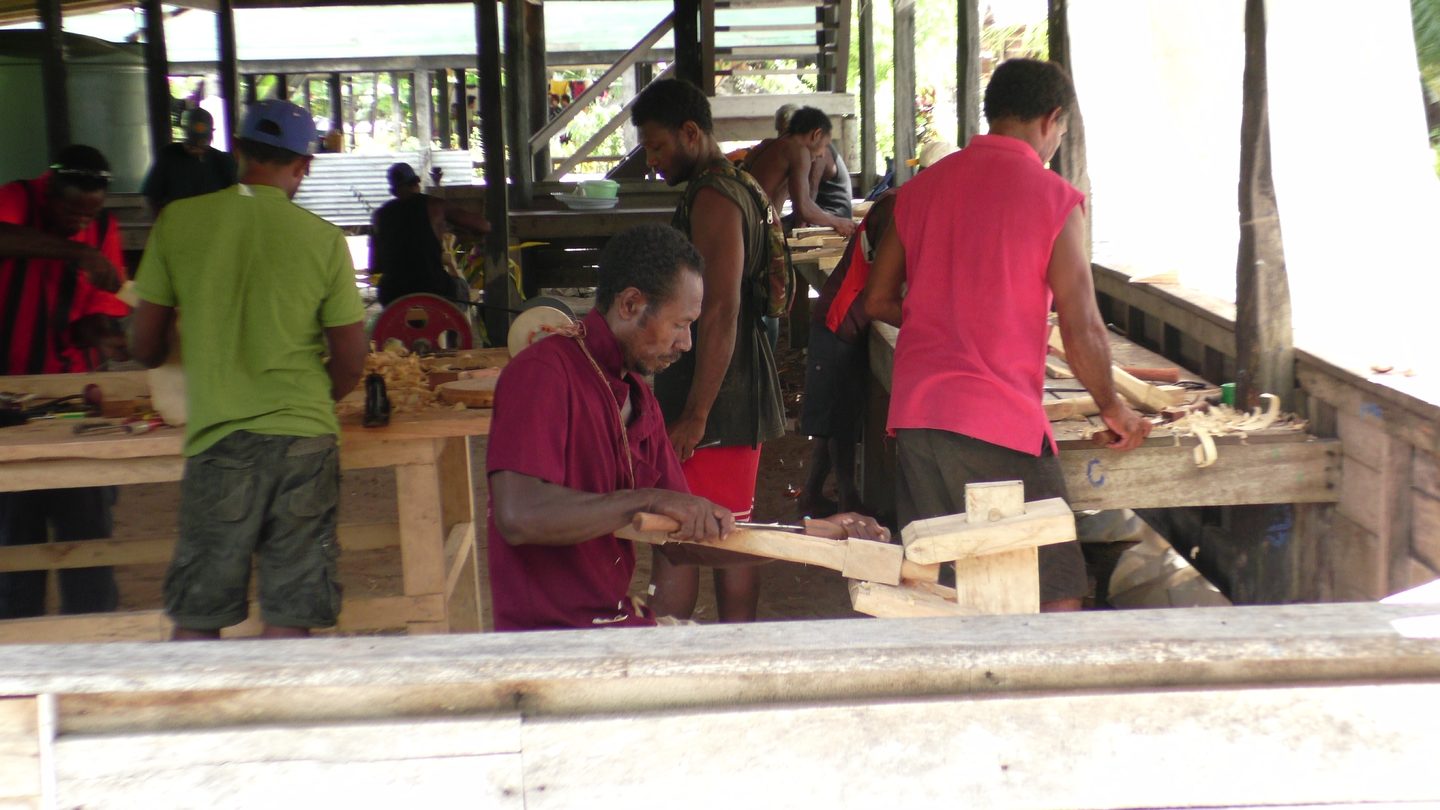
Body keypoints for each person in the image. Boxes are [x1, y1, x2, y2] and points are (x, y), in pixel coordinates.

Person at [863, 58, 1152, 612]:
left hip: (920, 414)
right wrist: (1113, 406)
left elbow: (877, 300)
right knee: (1056, 596)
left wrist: (944, 318)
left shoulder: (921, 190)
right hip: (997, 421)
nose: (1058, 142)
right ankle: (1036, 701)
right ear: (1051, 119)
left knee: (944, 591)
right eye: (1061, 132)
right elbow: (1082, 322)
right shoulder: (1055, 200)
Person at [130, 99, 368, 640]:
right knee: (291, 616)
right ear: (302, 165)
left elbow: (142, 347)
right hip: (305, 437)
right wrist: (310, 398)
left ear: (237, 151)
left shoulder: (178, 223)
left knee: (200, 614)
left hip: (219, 439)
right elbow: (351, 359)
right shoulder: (323, 239)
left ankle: (202, 724)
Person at [632, 79, 786, 623]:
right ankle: (734, 658)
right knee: (729, 533)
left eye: (657, 145)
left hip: (719, 394)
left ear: (691, 132)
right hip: (732, 388)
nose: (652, 161)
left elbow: (721, 309)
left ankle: (665, 671)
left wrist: (695, 414)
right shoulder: (736, 184)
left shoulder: (715, 196)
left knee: (679, 540)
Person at [0, 144, 130, 619]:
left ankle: (95, 642)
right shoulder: (16, 199)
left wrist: (104, 332)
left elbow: (98, 310)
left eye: (89, 213)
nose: (81, 222)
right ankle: (19, 656)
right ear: (48, 190)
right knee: (16, 536)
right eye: (72, 210)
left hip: (77, 397)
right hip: (10, 399)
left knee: (88, 535)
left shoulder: (103, 227)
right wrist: (71, 251)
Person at [798, 141, 955, 518]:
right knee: (837, 416)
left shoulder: (918, 206)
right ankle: (847, 498)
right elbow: (887, 289)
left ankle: (813, 494)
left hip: (854, 321)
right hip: (841, 317)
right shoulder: (900, 206)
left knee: (839, 413)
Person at [370, 161, 490, 307]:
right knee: (461, 287)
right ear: (417, 183)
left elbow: (375, 266)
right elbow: (483, 226)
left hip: (392, 294)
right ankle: (453, 329)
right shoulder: (435, 206)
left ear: (393, 190)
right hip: (434, 290)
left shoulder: (380, 215)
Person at [744, 106, 855, 237]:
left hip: (745, 220)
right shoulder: (799, 151)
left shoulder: (765, 145)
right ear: (816, 134)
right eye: (824, 146)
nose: (822, 155)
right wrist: (837, 222)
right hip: (757, 227)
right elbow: (804, 208)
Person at [140, 108, 238, 216]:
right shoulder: (169, 156)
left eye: (202, 143)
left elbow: (237, 197)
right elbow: (152, 197)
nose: (197, 149)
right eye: (193, 144)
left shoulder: (222, 161)